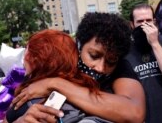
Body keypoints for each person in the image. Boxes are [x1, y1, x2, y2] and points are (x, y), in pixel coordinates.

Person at [10, 12, 146, 123]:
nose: (100, 68)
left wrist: (54, 84)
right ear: (79, 46)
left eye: (110, 62)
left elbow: (134, 113)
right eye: (94, 55)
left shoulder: (121, 67)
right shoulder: (61, 65)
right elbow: (10, 116)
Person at [123, 3, 162, 123]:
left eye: (148, 20)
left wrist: (155, 43)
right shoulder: (125, 52)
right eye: (140, 21)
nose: (145, 24)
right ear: (132, 25)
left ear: (154, 22)